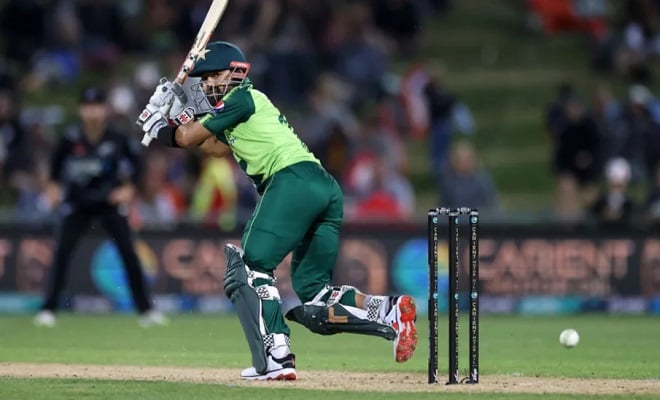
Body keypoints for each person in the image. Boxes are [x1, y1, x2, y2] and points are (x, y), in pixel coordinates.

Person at [136, 41, 418, 381]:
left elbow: (189, 136)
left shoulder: (240, 96)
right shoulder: (242, 106)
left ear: (231, 73)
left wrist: (160, 122)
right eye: (203, 79)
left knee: (253, 265)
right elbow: (209, 147)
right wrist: (171, 120)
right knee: (314, 291)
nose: (206, 85)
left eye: (211, 77)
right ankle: (389, 311)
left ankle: (277, 355)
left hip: (290, 181)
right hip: (323, 187)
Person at [34, 87, 167, 328]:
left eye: (97, 106)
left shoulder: (117, 137)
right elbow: (54, 171)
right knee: (61, 255)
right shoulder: (70, 137)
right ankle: (48, 310)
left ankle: (146, 311)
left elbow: (138, 166)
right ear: (81, 109)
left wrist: (129, 190)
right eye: (88, 106)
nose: (93, 112)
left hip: (109, 204)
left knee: (129, 255)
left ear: (104, 109)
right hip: (77, 203)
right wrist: (53, 190)